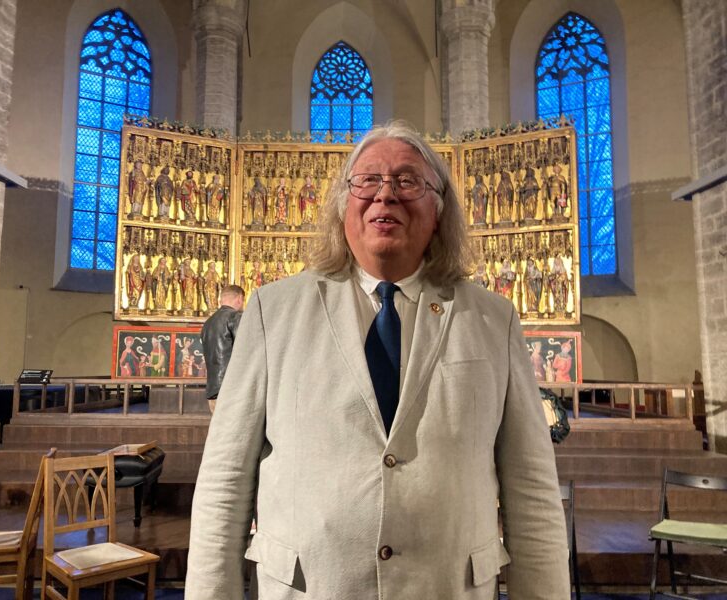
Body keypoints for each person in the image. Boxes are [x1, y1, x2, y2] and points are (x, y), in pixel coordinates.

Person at [186, 122, 570, 599]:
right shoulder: (272, 311)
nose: (385, 194)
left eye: (407, 181)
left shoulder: (494, 319)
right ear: (342, 205)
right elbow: (224, 483)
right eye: (367, 180)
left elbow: (532, 491)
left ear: (439, 209)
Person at [201, 285, 245, 413]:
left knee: (218, 425)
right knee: (235, 425)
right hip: (232, 388)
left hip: (213, 389)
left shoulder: (208, 323)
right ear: (239, 298)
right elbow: (245, 350)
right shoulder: (236, 317)